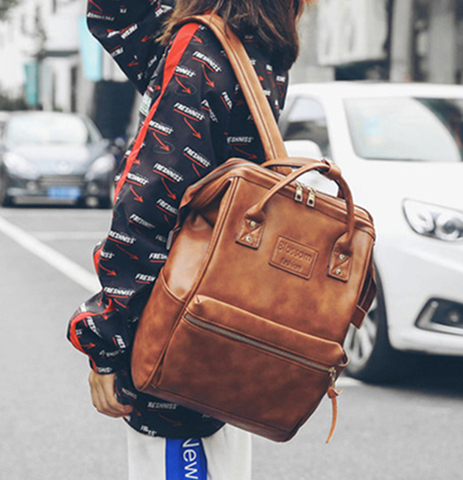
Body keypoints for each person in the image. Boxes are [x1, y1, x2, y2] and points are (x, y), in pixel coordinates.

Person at [68, 0, 306, 478]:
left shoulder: (202, 50)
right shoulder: (254, 43)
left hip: (180, 337)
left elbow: (149, 204)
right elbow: (119, 16)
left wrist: (104, 341)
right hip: (228, 324)